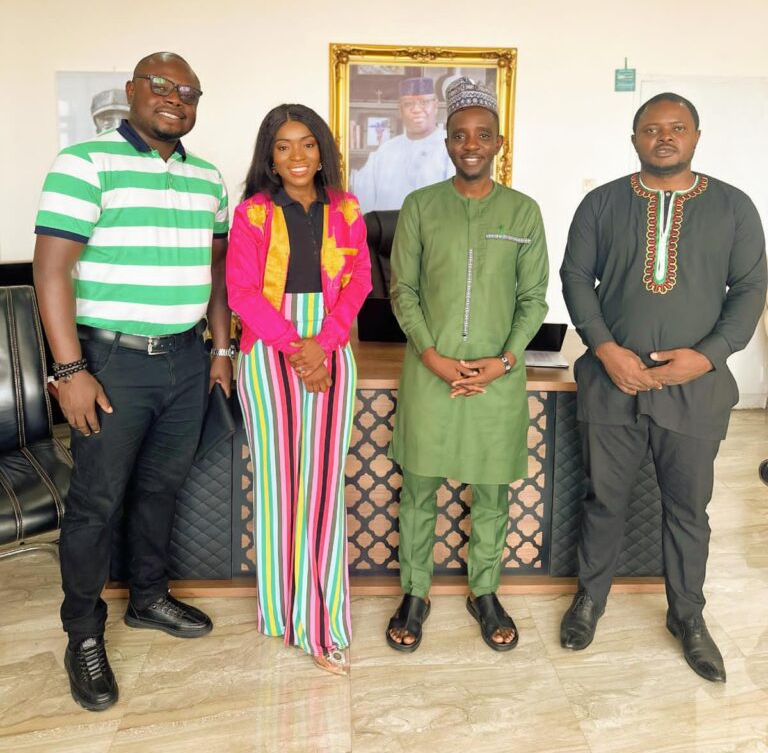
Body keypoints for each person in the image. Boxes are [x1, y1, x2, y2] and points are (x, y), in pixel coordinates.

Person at [33, 52, 231, 712]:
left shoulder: (208, 179)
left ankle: (147, 599)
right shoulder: (84, 163)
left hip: (184, 359)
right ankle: (83, 633)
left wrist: (221, 349)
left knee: (162, 489)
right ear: (132, 92)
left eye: (189, 92)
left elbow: (218, 274)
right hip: (110, 363)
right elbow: (51, 272)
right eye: (163, 86)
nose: (177, 99)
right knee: (96, 503)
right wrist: (70, 370)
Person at [560, 92, 767, 683]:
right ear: (634, 140)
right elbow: (577, 277)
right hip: (611, 383)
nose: (665, 137)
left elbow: (750, 288)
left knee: (688, 510)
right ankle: (589, 600)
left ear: (697, 136)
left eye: (677, 128)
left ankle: (688, 616)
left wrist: (706, 359)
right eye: (652, 129)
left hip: (694, 389)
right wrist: (606, 350)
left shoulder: (733, 207)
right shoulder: (602, 204)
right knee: (604, 500)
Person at [385, 77, 548, 653]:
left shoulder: (523, 212)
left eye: (482, 135)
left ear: (498, 143)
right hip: (430, 375)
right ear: (447, 143)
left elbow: (535, 301)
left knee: (492, 496)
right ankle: (416, 592)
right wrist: (432, 356)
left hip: (498, 379)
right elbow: (402, 289)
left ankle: (485, 591)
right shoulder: (421, 207)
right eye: (460, 135)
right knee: (418, 492)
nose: (470, 144)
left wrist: (502, 361)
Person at [226, 104, 371, 676]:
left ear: (323, 151)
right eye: (283, 146)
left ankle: (324, 621)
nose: (297, 157)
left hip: (330, 345)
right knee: (278, 486)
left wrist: (325, 343)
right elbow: (241, 293)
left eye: (307, 144)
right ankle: (283, 614)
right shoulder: (253, 214)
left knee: (324, 485)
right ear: (269, 155)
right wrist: (296, 346)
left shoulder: (347, 208)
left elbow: (358, 279)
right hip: (268, 348)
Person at [354, 77, 454, 212]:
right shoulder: (385, 151)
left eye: (424, 102)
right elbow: (363, 200)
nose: (416, 109)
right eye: (408, 104)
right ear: (400, 110)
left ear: (435, 106)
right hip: (388, 232)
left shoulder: (451, 147)